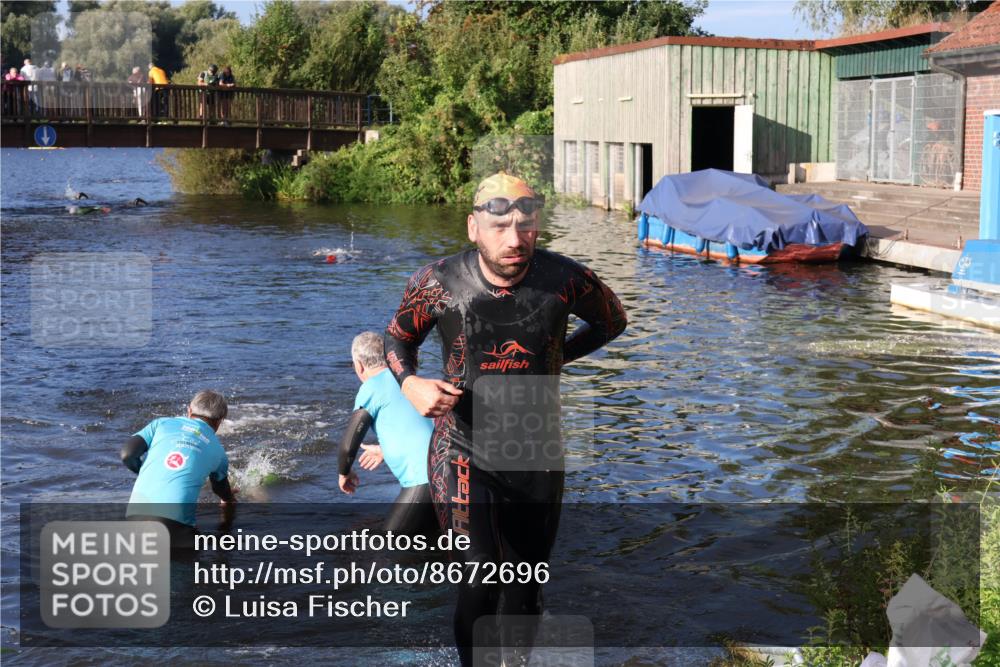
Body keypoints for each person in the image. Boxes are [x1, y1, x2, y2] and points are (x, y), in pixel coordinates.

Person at [384, 172, 627, 666]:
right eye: (499, 227)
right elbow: (396, 339)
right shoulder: (437, 282)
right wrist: (410, 383)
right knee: (480, 573)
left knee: (527, 582)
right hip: (462, 445)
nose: (514, 239)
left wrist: (555, 357)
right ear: (474, 228)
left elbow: (612, 321)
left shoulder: (566, 280)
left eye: (525, 225)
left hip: (536, 448)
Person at [339, 332, 438, 537]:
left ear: (359, 365)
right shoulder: (409, 381)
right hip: (449, 474)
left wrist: (344, 473)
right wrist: (386, 449)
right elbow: (424, 426)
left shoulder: (372, 387)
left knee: (390, 543)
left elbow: (348, 445)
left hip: (424, 481)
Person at [121, 390, 236, 548]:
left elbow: (128, 455)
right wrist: (228, 499)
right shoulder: (219, 452)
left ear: (189, 410)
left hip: (134, 521)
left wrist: (145, 473)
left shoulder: (160, 424)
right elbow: (220, 488)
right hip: (177, 531)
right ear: (219, 421)